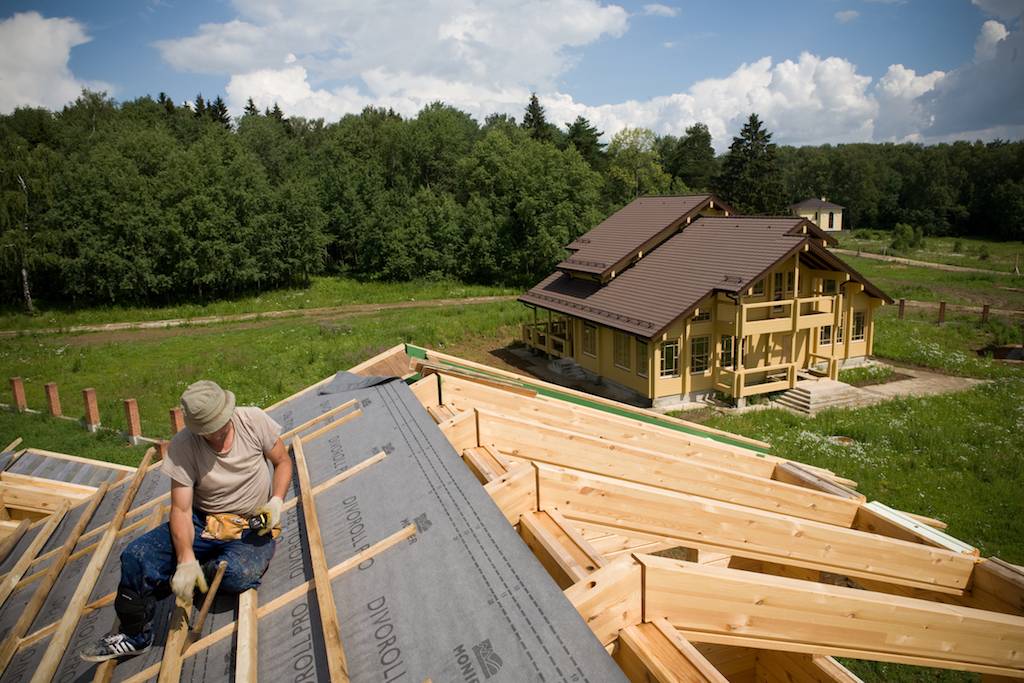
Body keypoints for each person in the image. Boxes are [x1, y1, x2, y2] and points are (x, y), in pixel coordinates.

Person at [81, 380, 293, 661]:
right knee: (135, 557)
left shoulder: (252, 420)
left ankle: (191, 577)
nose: (216, 437)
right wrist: (185, 558)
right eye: (208, 432)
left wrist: (276, 501)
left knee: (237, 574)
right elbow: (180, 510)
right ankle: (135, 636)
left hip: (251, 525)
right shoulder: (184, 445)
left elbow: (283, 462)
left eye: (219, 428)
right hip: (203, 522)